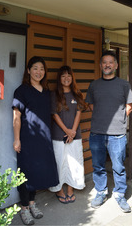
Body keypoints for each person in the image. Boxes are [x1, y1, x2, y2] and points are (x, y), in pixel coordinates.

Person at [85, 50, 132, 213]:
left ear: (116, 65)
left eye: (110, 62)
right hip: (97, 133)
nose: (107, 65)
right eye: (104, 62)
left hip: (117, 134)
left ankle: (120, 194)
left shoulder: (124, 85)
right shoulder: (94, 85)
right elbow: (92, 106)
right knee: (98, 165)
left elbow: (129, 106)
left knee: (118, 166)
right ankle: (101, 192)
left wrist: (117, 121)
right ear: (100, 65)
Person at [12, 56, 59, 225]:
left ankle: (32, 203)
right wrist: (17, 139)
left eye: (42, 69)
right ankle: (24, 208)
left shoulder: (46, 92)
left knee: (37, 172)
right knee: (25, 173)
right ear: (28, 70)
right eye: (35, 68)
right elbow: (16, 116)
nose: (39, 72)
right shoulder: (21, 91)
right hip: (27, 139)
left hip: (44, 139)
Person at [49, 66, 87, 204]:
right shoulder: (54, 94)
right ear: (59, 78)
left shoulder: (77, 94)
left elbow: (78, 113)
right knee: (59, 162)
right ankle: (59, 190)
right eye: (63, 76)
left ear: (72, 78)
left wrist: (72, 132)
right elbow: (54, 114)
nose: (66, 78)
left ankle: (70, 189)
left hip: (75, 136)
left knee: (74, 162)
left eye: (69, 76)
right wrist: (67, 131)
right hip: (59, 135)